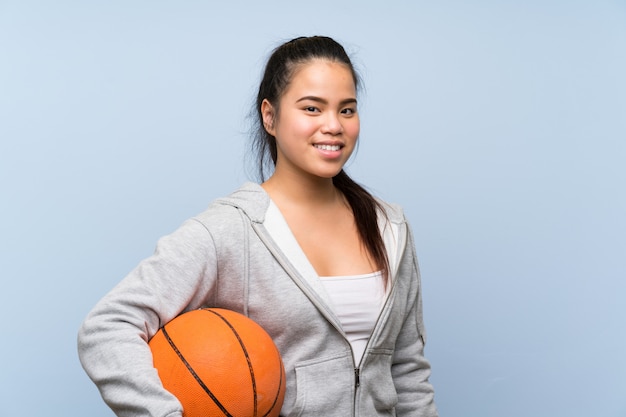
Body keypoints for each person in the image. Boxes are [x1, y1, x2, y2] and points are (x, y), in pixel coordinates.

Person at [78, 35, 438, 417]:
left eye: (346, 110)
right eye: (312, 108)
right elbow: (106, 327)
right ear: (270, 116)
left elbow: (408, 371)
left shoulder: (390, 227)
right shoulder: (231, 230)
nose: (333, 125)